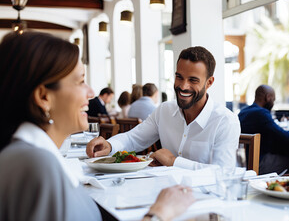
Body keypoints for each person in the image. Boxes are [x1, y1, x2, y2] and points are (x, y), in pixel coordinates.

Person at [0, 32, 194, 221]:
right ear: (44, 97)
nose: (91, 92)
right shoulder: (37, 166)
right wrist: (159, 213)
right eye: (80, 81)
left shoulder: (31, 157)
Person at [87, 46, 240, 170]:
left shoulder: (225, 121)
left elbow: (223, 173)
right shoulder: (165, 110)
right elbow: (133, 138)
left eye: (193, 80)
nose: (183, 86)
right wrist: (110, 145)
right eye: (179, 77)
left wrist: (174, 161)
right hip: (164, 192)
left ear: (209, 83)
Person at [238, 84, 289, 174]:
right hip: (259, 163)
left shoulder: (243, 112)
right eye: (273, 100)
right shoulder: (262, 113)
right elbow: (286, 136)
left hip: (244, 163)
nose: (273, 103)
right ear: (268, 97)